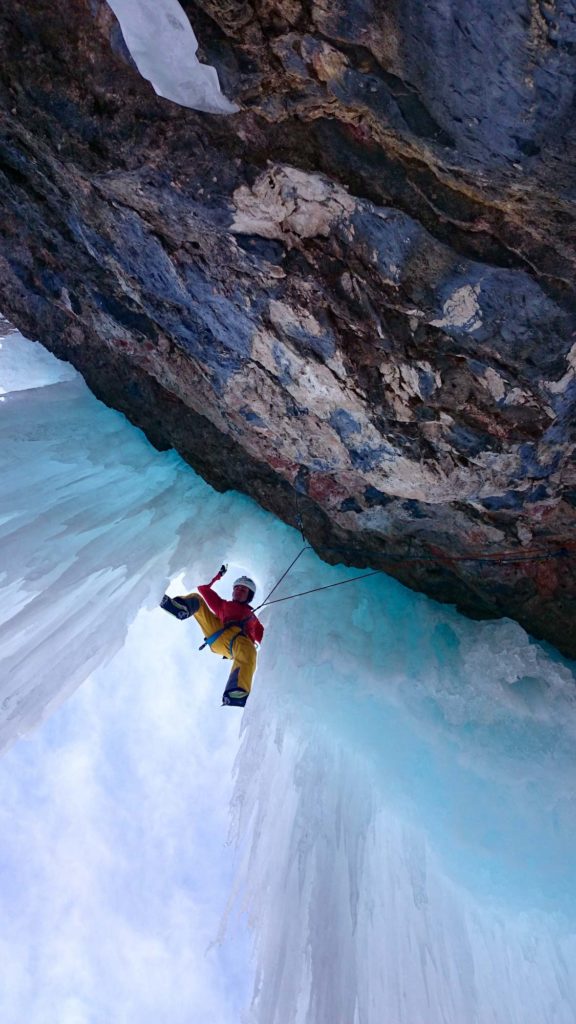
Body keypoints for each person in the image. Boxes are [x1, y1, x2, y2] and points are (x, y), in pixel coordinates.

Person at [160, 566, 264, 707]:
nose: (239, 591)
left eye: (243, 590)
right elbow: (203, 587)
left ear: (249, 596)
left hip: (237, 643)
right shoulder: (222, 605)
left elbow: (267, 638)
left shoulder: (254, 620)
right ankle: (180, 607)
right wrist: (218, 574)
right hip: (217, 632)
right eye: (237, 588)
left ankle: (237, 692)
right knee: (197, 599)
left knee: (249, 651)